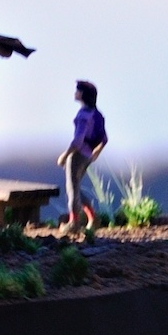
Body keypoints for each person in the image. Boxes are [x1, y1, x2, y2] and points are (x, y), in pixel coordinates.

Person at [57, 80, 108, 235]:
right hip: (87, 156)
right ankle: (92, 217)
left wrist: (65, 155)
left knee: (71, 188)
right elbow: (104, 139)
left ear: (83, 94)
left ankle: (74, 222)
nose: (75, 93)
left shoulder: (83, 115)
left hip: (78, 155)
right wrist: (95, 153)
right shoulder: (97, 115)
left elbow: (77, 140)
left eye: (77, 90)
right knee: (77, 186)